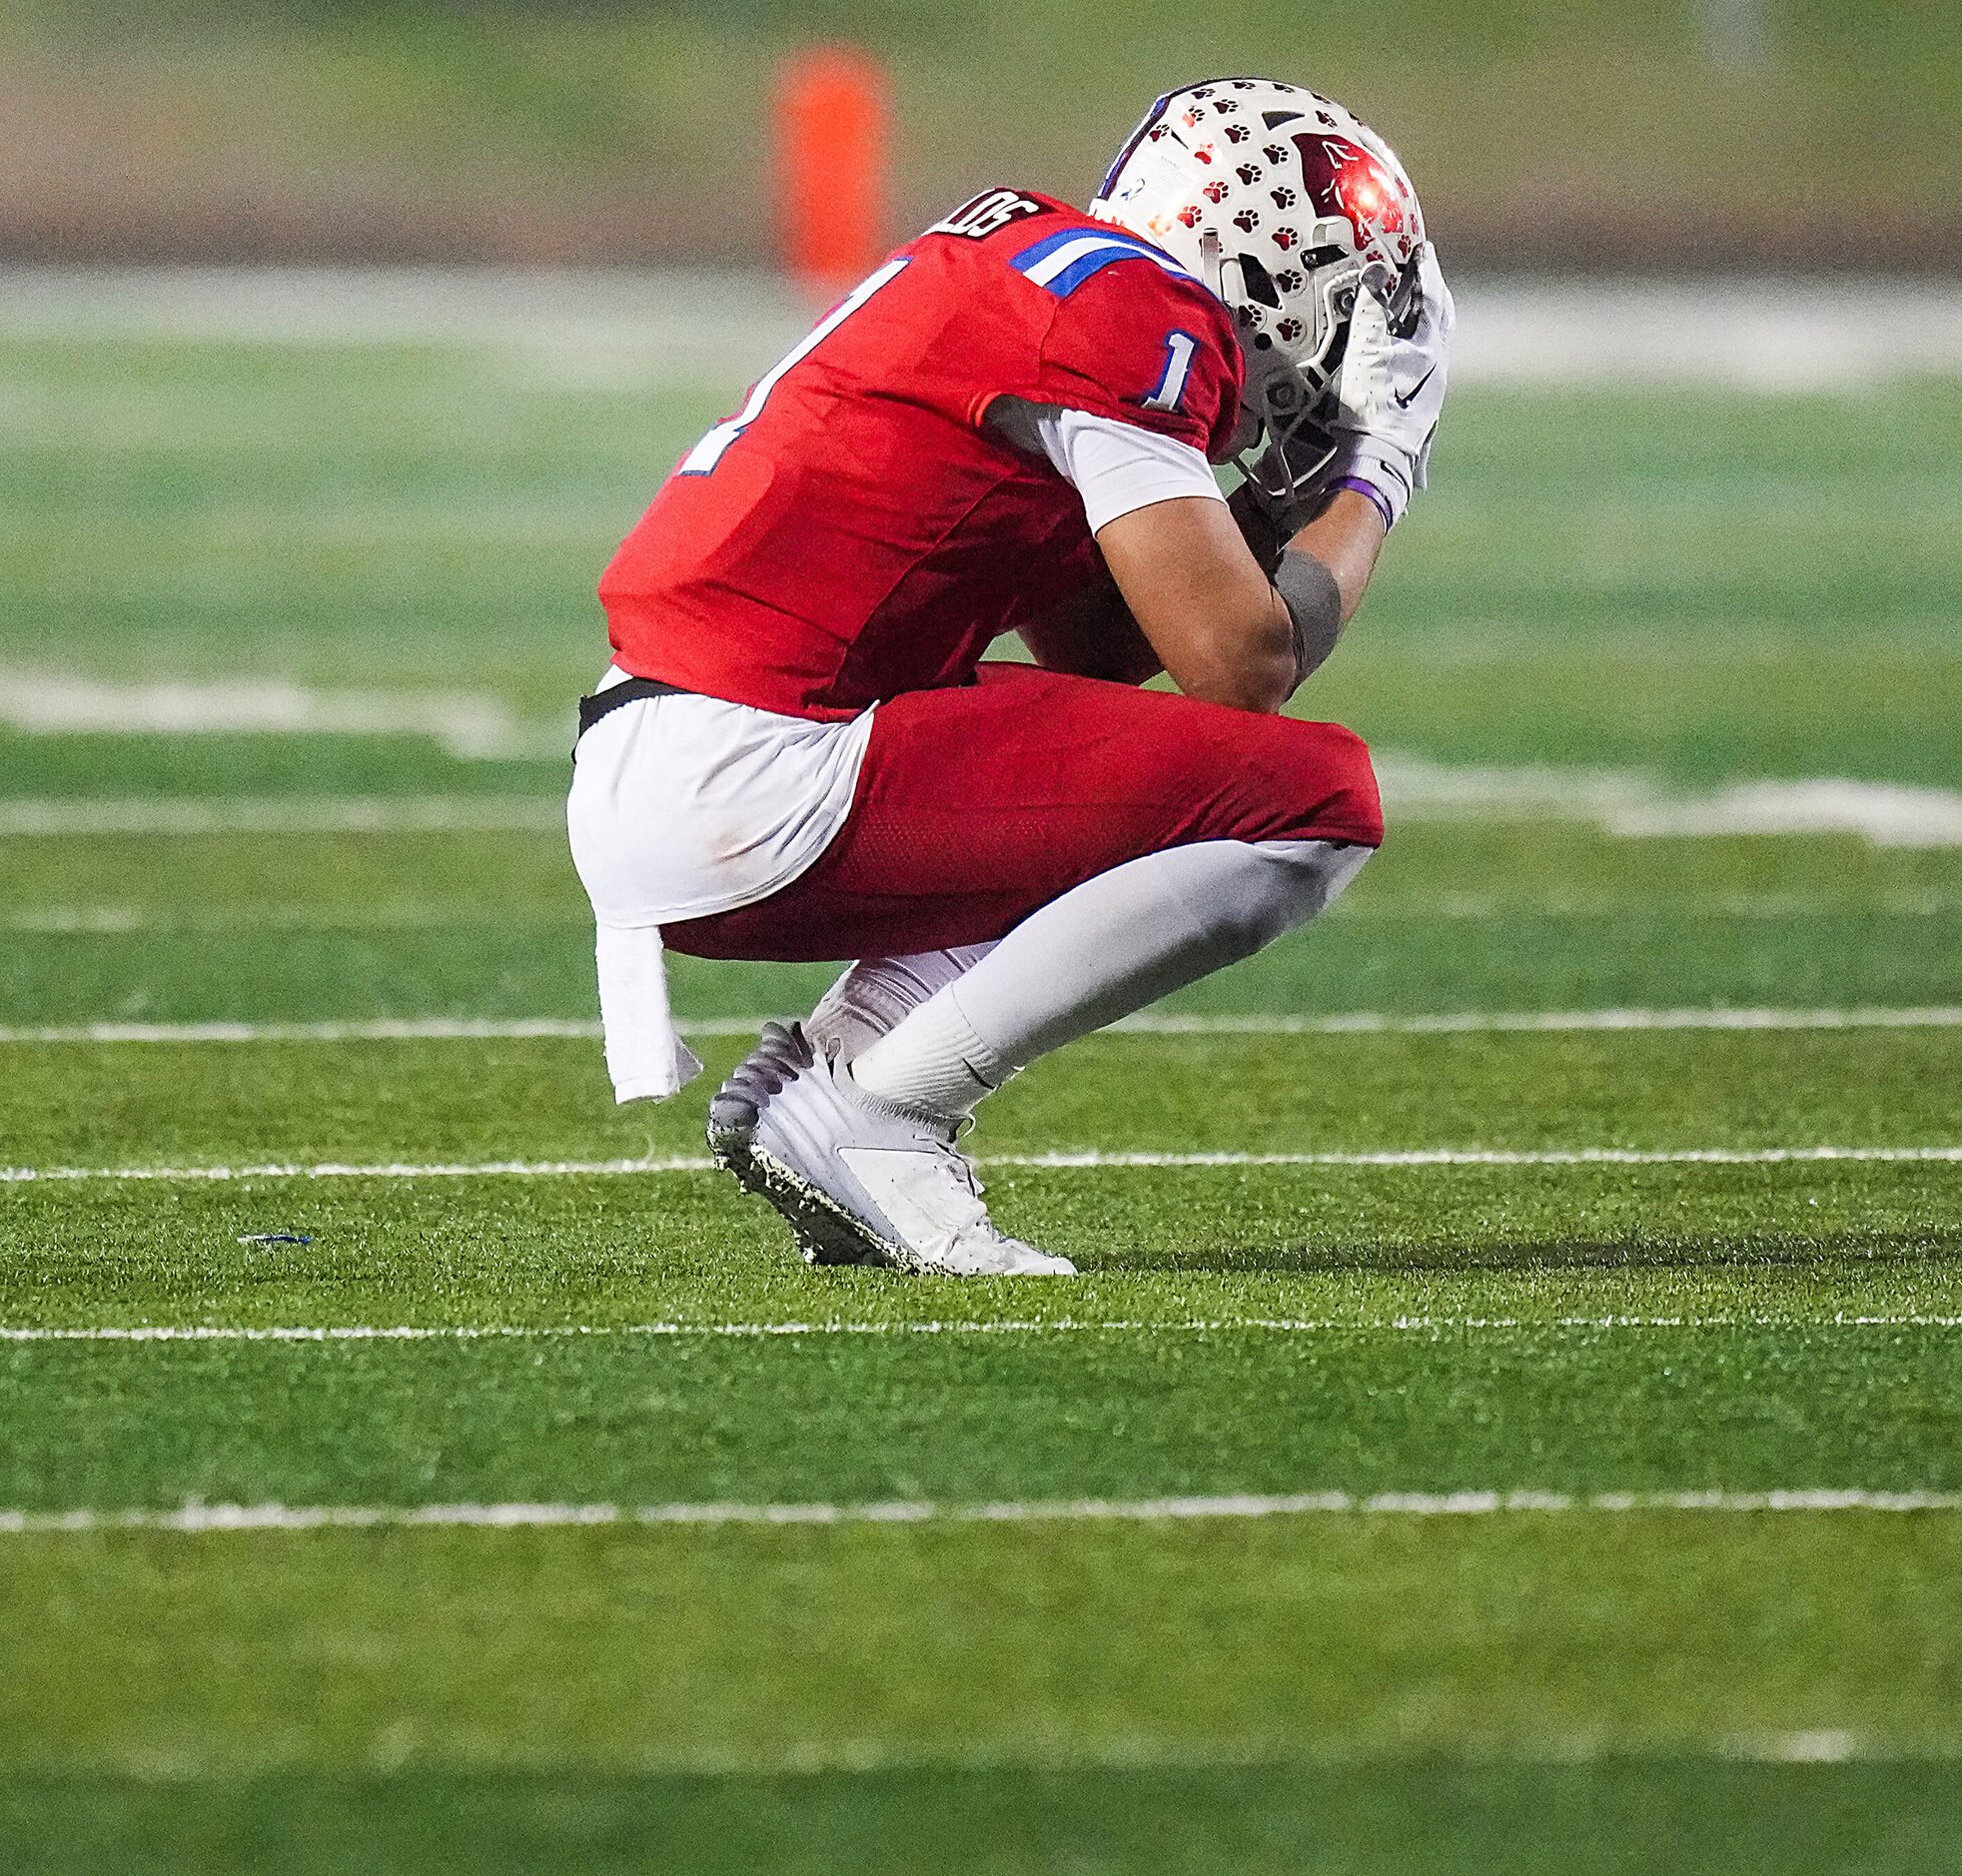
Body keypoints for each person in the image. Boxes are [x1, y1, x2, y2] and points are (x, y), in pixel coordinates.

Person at [565, 77, 1452, 1277]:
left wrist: (1282, 501)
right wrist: (1376, 475)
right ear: (1262, 261)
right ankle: (886, 1113)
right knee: (1315, 799)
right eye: (1340, 301)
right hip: (756, 768)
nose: (1334, 341)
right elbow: (1242, 665)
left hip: (692, 744)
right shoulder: (1137, 317)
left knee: (1132, 782)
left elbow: (1098, 647)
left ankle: (837, 1072)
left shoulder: (1053, 269)